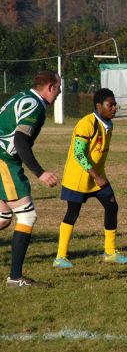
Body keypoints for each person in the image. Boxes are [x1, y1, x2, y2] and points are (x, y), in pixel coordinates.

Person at [52, 89, 127, 269]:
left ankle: (110, 253)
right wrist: (96, 175)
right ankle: (60, 257)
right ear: (98, 106)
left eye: (114, 104)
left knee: (112, 206)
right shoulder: (86, 124)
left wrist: (98, 175)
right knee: (72, 214)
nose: (114, 108)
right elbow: (78, 154)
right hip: (78, 177)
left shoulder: (108, 124)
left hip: (97, 177)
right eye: (110, 105)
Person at [0, 71, 61, 287]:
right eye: (59, 87)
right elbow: (20, 141)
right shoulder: (34, 106)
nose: (60, 92)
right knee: (27, 216)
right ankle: (15, 277)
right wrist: (40, 172)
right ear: (50, 87)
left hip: (4, 158)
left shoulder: (23, 96)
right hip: (3, 160)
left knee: (4, 217)